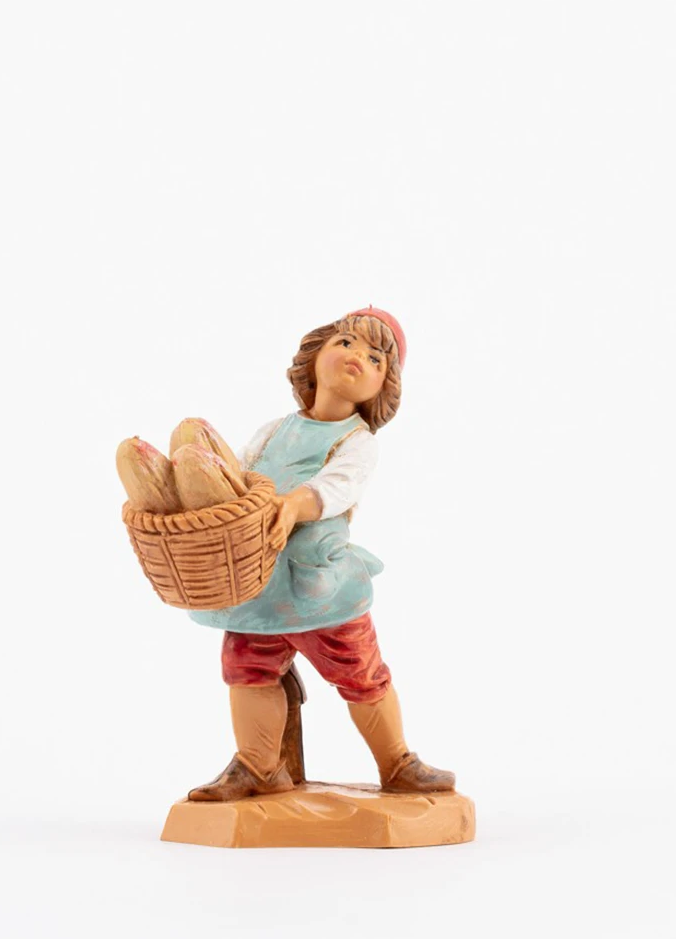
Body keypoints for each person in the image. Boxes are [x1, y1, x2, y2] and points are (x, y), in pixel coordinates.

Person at [116, 307, 455, 801]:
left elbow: (338, 486)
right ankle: (257, 766)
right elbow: (240, 474)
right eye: (345, 343)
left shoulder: (357, 441)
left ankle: (397, 762)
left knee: (360, 673)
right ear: (314, 355)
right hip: (257, 580)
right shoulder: (274, 430)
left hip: (320, 586)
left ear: (382, 388)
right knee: (247, 669)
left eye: (375, 358)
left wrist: (295, 503)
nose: (357, 356)